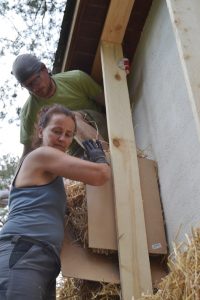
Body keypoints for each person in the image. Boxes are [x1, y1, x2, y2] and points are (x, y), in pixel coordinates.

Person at [0, 104, 110, 300]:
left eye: (69, 134)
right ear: (41, 131)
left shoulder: (46, 169)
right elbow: (100, 175)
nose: (62, 139)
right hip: (23, 250)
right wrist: (100, 157)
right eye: (57, 131)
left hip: (42, 257)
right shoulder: (42, 155)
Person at [11, 53, 108, 158]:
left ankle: (107, 158)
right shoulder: (29, 113)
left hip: (101, 130)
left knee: (67, 119)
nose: (35, 88)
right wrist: (20, 174)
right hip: (76, 152)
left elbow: (108, 102)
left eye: (36, 80)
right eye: (29, 85)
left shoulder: (76, 78)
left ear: (44, 69)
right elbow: (29, 152)